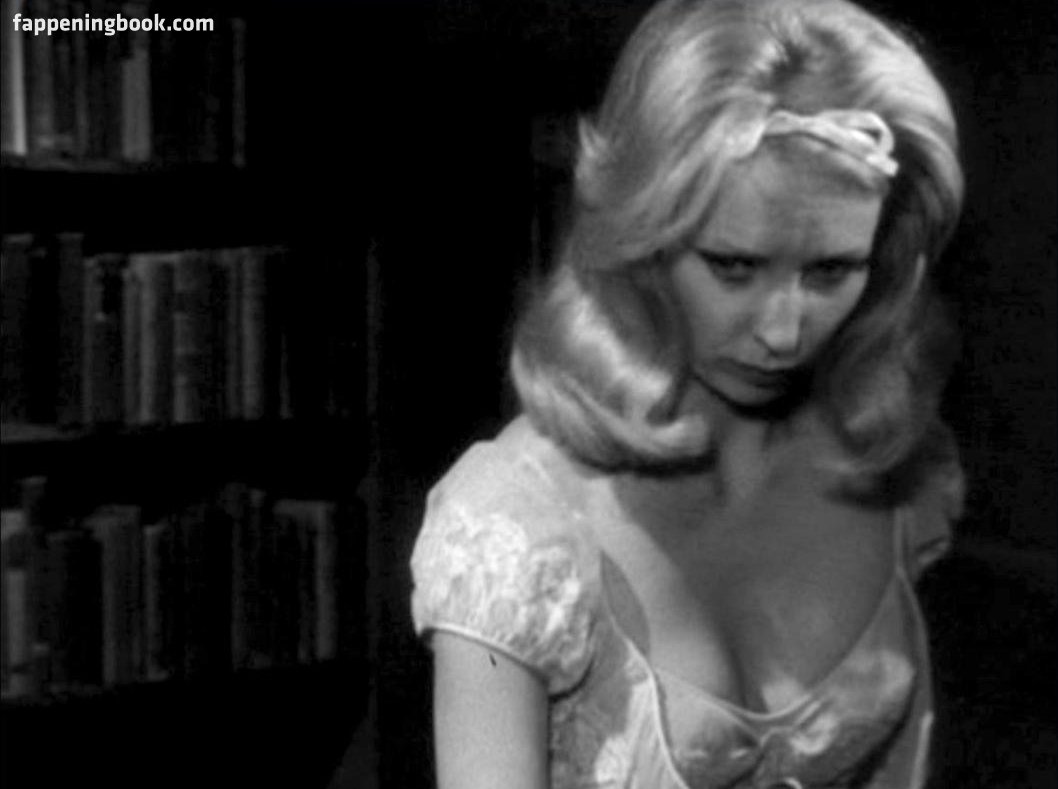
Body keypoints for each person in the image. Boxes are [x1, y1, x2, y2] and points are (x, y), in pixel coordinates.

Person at [410, 0, 966, 786]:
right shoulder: (515, 526)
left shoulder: (890, 473)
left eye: (831, 270)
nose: (784, 331)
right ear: (645, 236)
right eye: (734, 266)